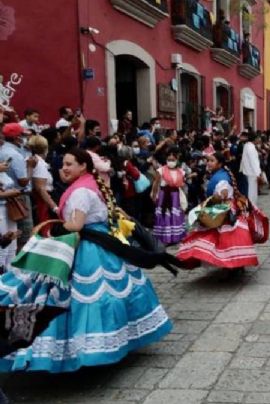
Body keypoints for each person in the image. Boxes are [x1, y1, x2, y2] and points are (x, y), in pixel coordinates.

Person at [0, 148, 172, 372]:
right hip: (101, 243)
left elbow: (76, 225)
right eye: (63, 164)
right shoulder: (93, 184)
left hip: (87, 245)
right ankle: (116, 339)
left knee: (84, 296)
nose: (64, 168)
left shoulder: (81, 191)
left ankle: (90, 348)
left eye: (69, 164)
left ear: (83, 166)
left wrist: (54, 228)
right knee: (110, 293)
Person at [177, 152, 259, 271]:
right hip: (225, 209)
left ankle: (231, 267)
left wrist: (217, 197)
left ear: (219, 164)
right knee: (226, 240)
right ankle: (235, 266)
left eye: (212, 161)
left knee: (225, 240)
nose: (209, 163)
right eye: (208, 160)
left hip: (223, 210)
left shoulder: (221, 178)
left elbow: (223, 192)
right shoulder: (221, 174)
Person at [151, 147, 186, 245]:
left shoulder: (181, 171)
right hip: (163, 195)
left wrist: (183, 199)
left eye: (173, 160)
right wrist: (154, 196)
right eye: (169, 160)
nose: (171, 162)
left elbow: (182, 186)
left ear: (176, 160)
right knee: (165, 214)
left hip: (175, 196)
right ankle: (164, 238)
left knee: (175, 214)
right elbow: (156, 184)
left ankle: (175, 237)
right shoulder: (161, 170)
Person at [28, 135, 58, 223]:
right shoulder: (39, 163)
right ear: (45, 148)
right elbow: (40, 188)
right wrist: (54, 207)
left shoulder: (32, 160)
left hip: (41, 199)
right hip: (42, 200)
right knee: (44, 225)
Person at [240, 133, 262, 206]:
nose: (259, 139)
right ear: (255, 139)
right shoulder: (251, 147)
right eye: (258, 138)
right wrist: (258, 173)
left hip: (248, 171)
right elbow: (254, 161)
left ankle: (250, 205)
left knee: (250, 190)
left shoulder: (247, 146)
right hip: (252, 172)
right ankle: (252, 206)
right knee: (252, 192)